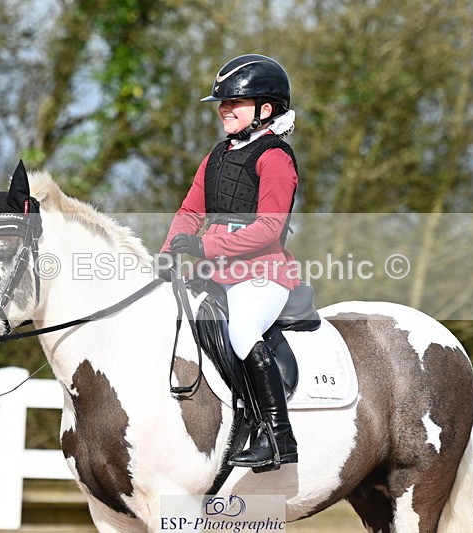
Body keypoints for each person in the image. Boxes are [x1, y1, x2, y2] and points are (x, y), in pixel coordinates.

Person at [160, 54, 300, 471]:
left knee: (242, 330)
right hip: (213, 272)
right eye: (222, 103)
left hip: (262, 273)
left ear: (265, 109)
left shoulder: (275, 158)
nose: (224, 109)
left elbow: (269, 229)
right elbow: (190, 211)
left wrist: (204, 247)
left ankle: (277, 436)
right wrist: (168, 253)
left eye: (234, 103)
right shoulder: (216, 156)